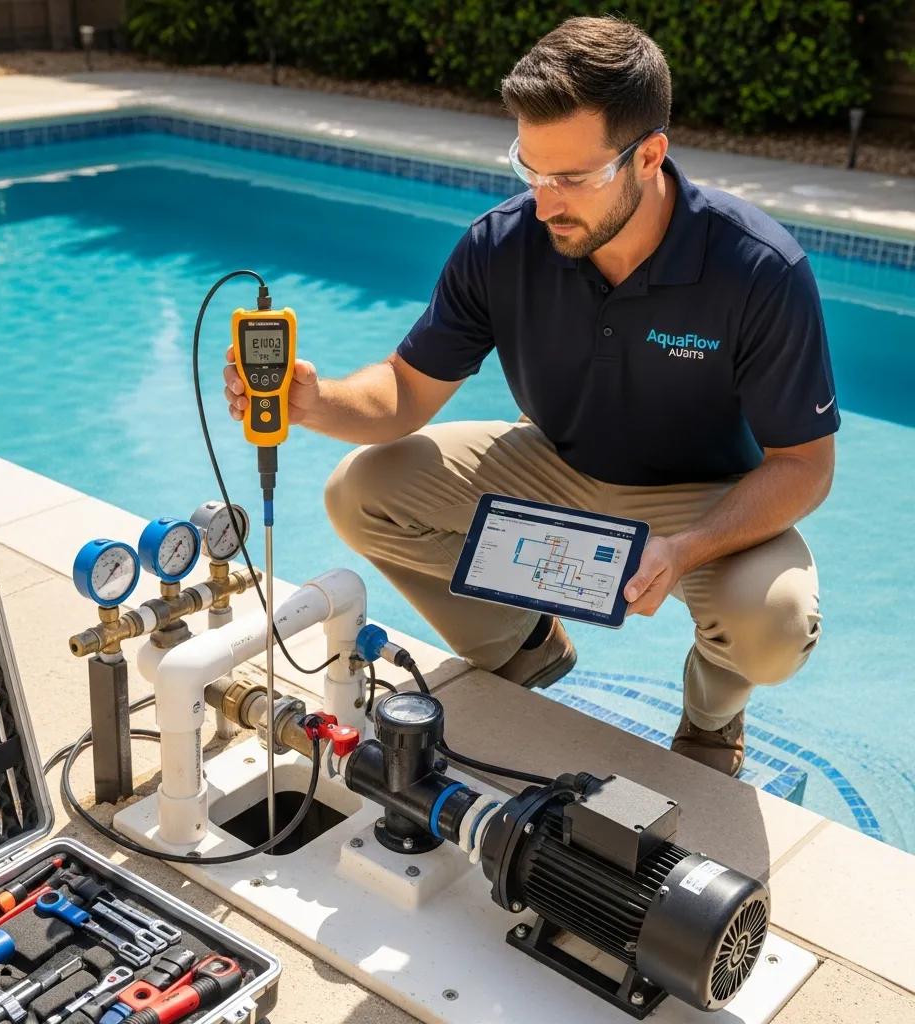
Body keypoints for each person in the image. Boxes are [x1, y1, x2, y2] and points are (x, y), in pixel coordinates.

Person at [224, 15, 838, 777]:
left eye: (573, 177)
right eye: (530, 169)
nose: (545, 201)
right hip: (553, 464)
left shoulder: (758, 269)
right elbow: (406, 392)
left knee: (774, 624)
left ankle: (711, 724)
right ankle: (523, 646)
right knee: (361, 491)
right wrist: (315, 400)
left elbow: (805, 464)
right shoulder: (504, 243)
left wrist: (684, 552)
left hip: (704, 497)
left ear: (649, 156)